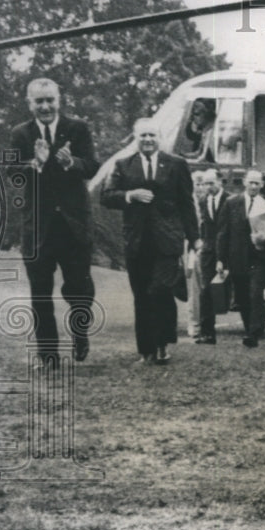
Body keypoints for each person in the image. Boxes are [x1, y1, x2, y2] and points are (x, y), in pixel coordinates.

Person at [9, 77, 99, 367]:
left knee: (79, 289)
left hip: (73, 226)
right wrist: (35, 163)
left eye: (50, 100)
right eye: (39, 101)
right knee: (40, 293)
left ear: (59, 101)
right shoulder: (20, 133)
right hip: (38, 228)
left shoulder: (78, 128)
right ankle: (48, 355)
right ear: (30, 103)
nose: (45, 106)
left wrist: (71, 163)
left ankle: (80, 332)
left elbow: (93, 166)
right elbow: (12, 172)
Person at [101, 117, 200, 364]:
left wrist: (194, 237)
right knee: (142, 296)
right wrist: (129, 195)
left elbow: (187, 204)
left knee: (160, 290)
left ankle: (163, 344)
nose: (147, 140)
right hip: (137, 241)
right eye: (143, 135)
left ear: (160, 138)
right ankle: (146, 351)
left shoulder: (176, 164)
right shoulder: (123, 165)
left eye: (152, 135)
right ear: (136, 138)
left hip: (167, 241)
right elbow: (107, 196)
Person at [216, 169, 265, 348]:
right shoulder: (231, 203)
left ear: (262, 184)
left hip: (261, 259)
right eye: (250, 182)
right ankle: (251, 327)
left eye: (257, 183)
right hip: (238, 259)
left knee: (255, 292)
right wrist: (220, 259)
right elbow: (223, 233)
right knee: (243, 298)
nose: (253, 186)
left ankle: (253, 334)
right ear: (244, 182)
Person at [197, 167, 229, 344]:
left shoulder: (231, 199)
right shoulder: (203, 200)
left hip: (228, 250)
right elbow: (205, 225)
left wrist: (223, 257)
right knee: (205, 291)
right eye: (205, 183)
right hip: (208, 251)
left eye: (211, 183)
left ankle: (252, 331)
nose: (208, 187)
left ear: (220, 181)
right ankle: (207, 333)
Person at [186, 170, 207, 339]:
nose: (200, 187)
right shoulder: (188, 203)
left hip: (209, 249)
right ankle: (195, 324)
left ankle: (206, 324)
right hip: (193, 248)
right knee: (194, 287)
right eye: (197, 184)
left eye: (203, 184)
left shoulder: (211, 202)